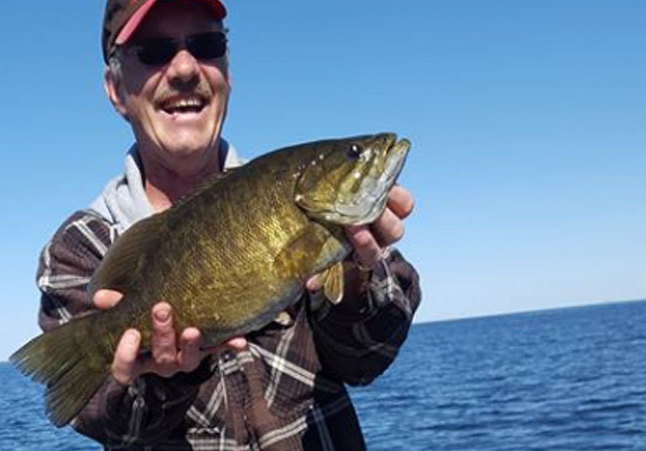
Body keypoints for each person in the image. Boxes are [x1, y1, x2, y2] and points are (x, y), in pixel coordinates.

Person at [35, 0, 422, 449]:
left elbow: (367, 361)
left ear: (228, 73)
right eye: (154, 50)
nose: (184, 67)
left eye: (207, 44)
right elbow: (106, 422)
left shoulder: (299, 202)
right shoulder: (81, 248)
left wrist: (357, 278)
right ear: (117, 90)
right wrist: (168, 378)